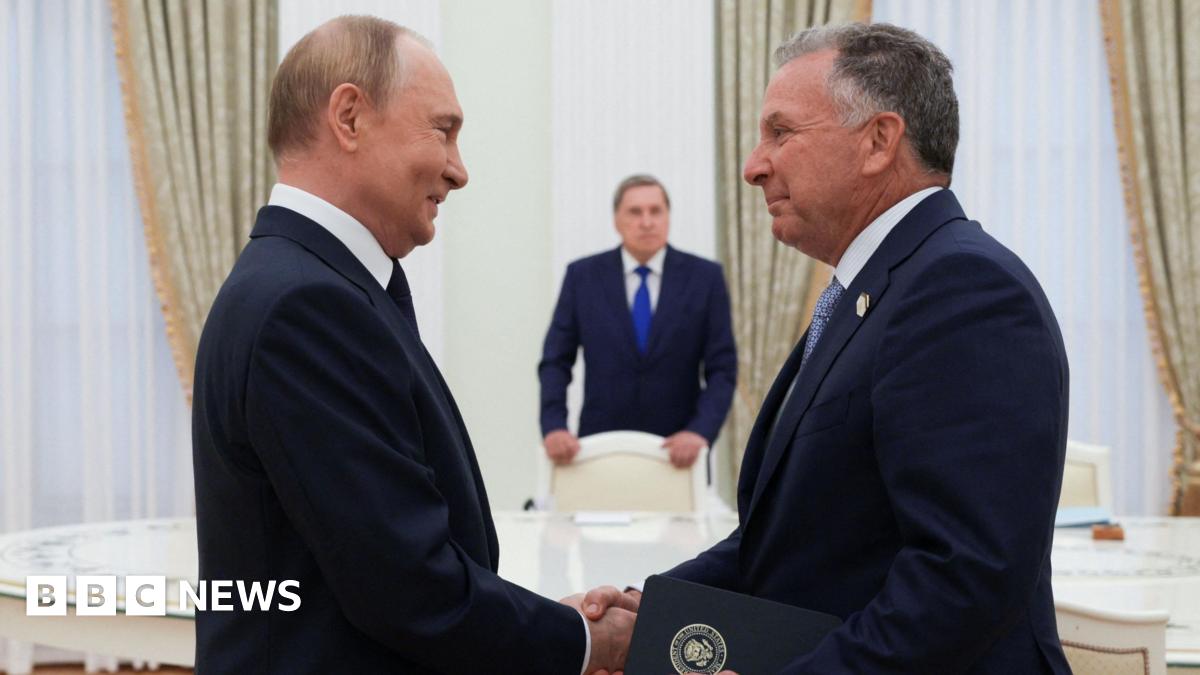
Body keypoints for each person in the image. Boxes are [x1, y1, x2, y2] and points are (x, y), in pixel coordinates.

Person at [586, 22, 1072, 673]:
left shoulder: (963, 290)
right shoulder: (870, 291)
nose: (754, 165)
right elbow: (792, 543)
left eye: (781, 133)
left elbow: (963, 579)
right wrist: (652, 611)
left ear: (878, 141)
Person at [191, 16, 634, 674]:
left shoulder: (316, 283)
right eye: (444, 130)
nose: (459, 171)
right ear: (349, 117)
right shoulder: (306, 306)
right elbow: (405, 585)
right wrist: (581, 639)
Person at [539, 175, 737, 468]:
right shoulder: (583, 277)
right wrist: (554, 424)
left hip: (679, 453)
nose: (647, 222)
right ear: (616, 220)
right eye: (635, 212)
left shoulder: (705, 278)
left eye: (655, 211)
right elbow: (556, 360)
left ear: (668, 217)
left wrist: (700, 432)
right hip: (599, 449)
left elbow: (722, 369)